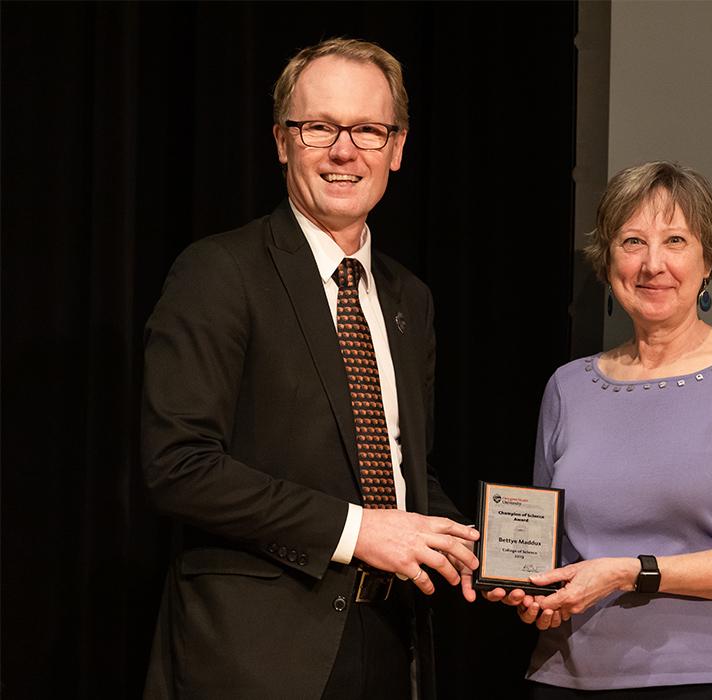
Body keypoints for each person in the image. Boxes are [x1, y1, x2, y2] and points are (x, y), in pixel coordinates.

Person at [141, 38, 479, 699]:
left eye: (368, 130)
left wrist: (487, 559)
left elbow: (407, 471)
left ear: (398, 148)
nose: (344, 150)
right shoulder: (220, 273)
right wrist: (357, 530)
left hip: (391, 642)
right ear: (281, 141)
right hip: (256, 657)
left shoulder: (410, 297)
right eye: (319, 126)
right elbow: (178, 466)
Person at [488, 162, 712, 699]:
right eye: (632, 241)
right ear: (608, 262)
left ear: (708, 260)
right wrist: (530, 591)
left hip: (710, 679)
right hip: (564, 677)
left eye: (676, 240)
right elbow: (545, 548)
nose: (653, 264)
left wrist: (626, 572)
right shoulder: (568, 387)